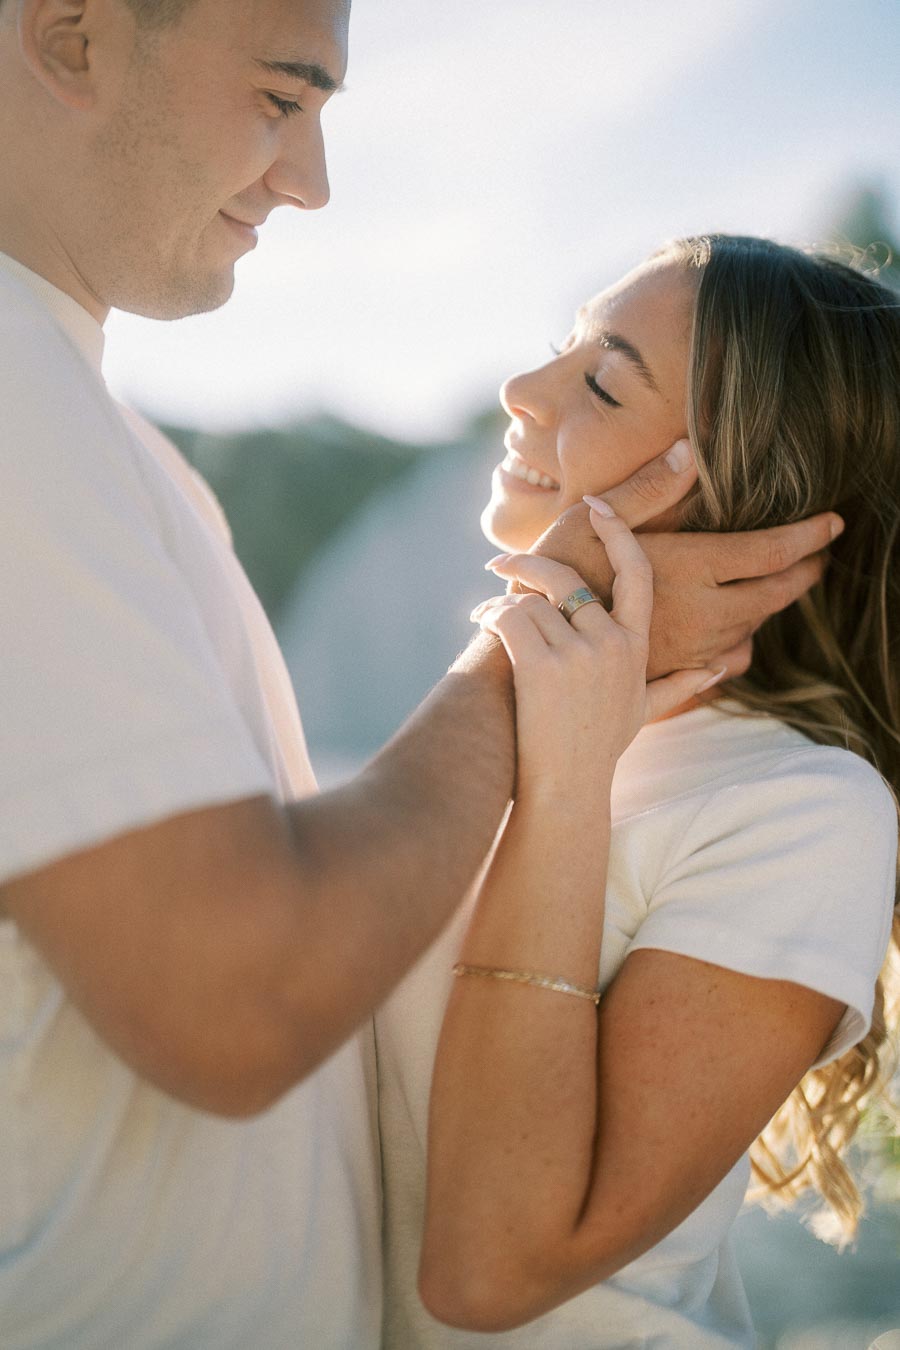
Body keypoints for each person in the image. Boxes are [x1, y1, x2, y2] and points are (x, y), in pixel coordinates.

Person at [0, 0, 844, 1343]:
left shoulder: (109, 450)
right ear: (71, 36)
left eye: (605, 379)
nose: (314, 180)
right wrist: (536, 659)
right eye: (283, 95)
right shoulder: (20, 412)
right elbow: (246, 994)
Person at [374, 235, 900, 1349]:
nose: (521, 390)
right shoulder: (502, 717)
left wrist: (565, 783)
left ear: (747, 491)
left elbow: (494, 1268)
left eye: (602, 380)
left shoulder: (808, 810)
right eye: (558, 351)